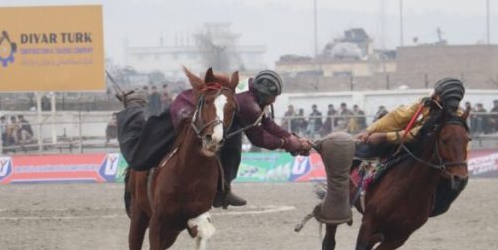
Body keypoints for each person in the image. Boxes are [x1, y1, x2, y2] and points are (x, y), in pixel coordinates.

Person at [115, 69, 312, 208]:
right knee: (140, 157)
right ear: (264, 94)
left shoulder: (252, 96)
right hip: (185, 112)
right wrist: (289, 144)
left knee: (230, 142)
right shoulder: (248, 104)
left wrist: (292, 138)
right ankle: (134, 103)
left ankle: (222, 188)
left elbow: (267, 124)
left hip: (208, 119)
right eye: (273, 96)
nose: (274, 101)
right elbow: (259, 137)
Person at [355, 78, 466, 157]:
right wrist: (369, 131)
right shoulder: (427, 103)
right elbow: (398, 117)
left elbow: (417, 134)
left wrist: (384, 137)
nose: (432, 95)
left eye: (436, 94)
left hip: (440, 155)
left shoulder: (454, 118)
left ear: (443, 100)